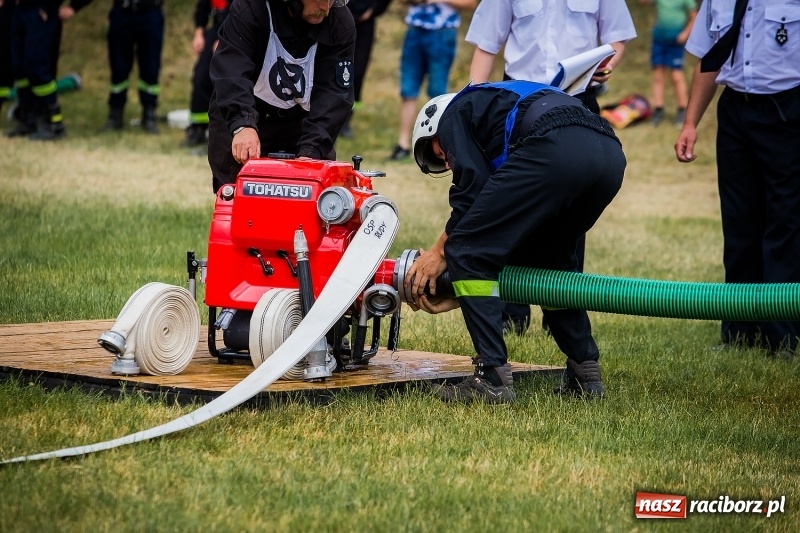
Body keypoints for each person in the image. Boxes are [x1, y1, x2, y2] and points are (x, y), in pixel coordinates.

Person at [405, 80, 626, 402]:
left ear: (433, 128)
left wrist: (441, 253)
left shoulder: (454, 114)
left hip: (557, 147)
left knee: (467, 250)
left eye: (438, 154)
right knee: (551, 262)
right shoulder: (493, 106)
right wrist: (467, 294)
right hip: (609, 155)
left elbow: (472, 192)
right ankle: (585, 372)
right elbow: (506, 237)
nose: (448, 162)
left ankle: (491, 379)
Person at [464, 0, 636, 335]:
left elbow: (617, 38)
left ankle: (561, 312)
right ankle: (511, 313)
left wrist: (604, 64)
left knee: (570, 212)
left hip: (576, 100)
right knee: (512, 204)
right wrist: (472, 103)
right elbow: (486, 46)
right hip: (517, 104)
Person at [675, 0, 800, 358]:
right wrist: (690, 123)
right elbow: (709, 57)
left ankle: (783, 336)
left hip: (788, 111)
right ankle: (740, 331)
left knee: (785, 224)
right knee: (739, 222)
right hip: (735, 113)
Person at [207, 0, 356, 193]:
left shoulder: (340, 22)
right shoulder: (250, 7)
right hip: (246, 109)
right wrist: (242, 124)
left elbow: (334, 95)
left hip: (301, 121)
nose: (326, 9)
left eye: (332, 0)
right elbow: (231, 70)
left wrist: (311, 150)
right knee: (235, 193)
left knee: (312, 196)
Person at [387, 0, 476, 161]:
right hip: (415, 30)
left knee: (438, 92)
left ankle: (438, 145)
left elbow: (470, 3)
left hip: (443, 32)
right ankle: (403, 145)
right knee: (408, 89)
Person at [6, 0, 89, 140]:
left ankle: (54, 123)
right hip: (20, 9)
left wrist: (50, 6)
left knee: (37, 67)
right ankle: (27, 119)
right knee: (20, 67)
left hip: (41, 10)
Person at [103, 0, 166, 134]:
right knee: (118, 66)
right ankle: (115, 113)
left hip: (150, 12)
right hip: (123, 12)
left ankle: (149, 113)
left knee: (150, 67)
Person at [341, 0, 392, 138]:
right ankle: (332, 115)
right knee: (338, 69)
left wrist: (372, 11)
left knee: (357, 73)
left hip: (364, 24)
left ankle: (347, 118)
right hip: (340, 20)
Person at [641, 0, 697, 126]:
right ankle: (658, 109)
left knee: (676, 76)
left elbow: (694, 16)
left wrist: (686, 33)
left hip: (676, 41)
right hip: (659, 40)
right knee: (658, 75)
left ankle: (682, 110)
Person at [183, 0, 230, 148]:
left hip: (237, 28)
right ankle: (198, 128)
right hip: (216, 27)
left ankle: (224, 134)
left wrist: (226, 38)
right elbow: (203, 7)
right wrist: (199, 31)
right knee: (201, 77)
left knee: (227, 81)